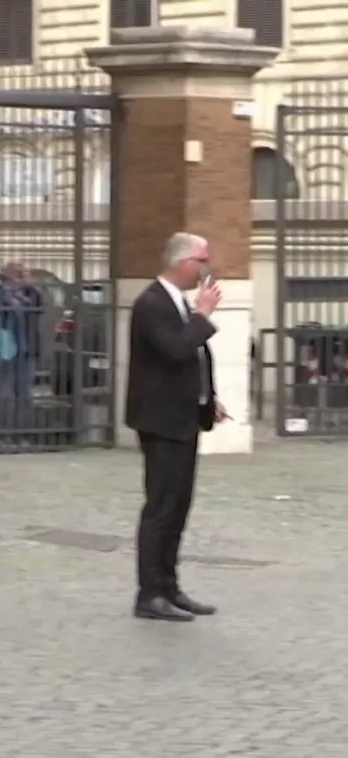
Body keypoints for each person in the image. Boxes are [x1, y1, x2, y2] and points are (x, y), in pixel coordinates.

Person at [125, 231, 228, 622]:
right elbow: (175, 349)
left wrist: (207, 396)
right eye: (202, 261)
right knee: (161, 507)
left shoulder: (178, 304)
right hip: (160, 421)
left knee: (179, 507)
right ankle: (149, 593)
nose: (206, 269)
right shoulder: (151, 303)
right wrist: (202, 315)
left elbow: (190, 359)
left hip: (184, 418)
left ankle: (169, 587)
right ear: (183, 262)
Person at [0, 261, 45, 447]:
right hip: (6, 349)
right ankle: (3, 434)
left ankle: (22, 434)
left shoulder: (30, 292)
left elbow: (41, 307)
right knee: (5, 393)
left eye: (23, 271)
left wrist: (30, 284)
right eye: (16, 271)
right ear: (6, 273)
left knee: (24, 394)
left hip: (27, 349)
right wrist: (11, 292)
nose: (19, 274)